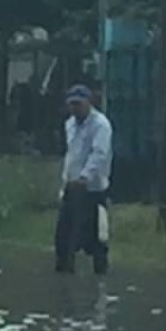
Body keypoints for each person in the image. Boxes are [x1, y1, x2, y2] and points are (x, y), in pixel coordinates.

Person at [55, 84, 113, 274]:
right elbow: (71, 155)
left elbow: (100, 154)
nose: (75, 108)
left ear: (89, 102)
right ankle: (64, 275)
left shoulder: (101, 125)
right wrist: (65, 183)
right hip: (72, 189)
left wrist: (84, 177)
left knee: (97, 239)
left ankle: (100, 276)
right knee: (63, 238)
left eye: (78, 104)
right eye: (71, 104)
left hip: (93, 190)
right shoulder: (69, 124)